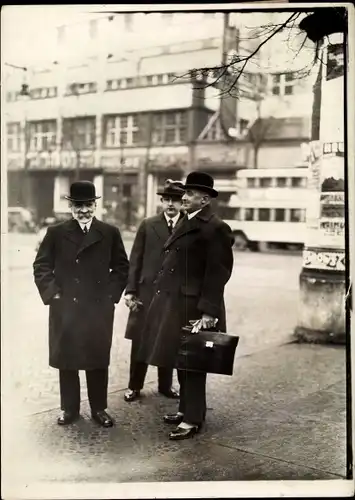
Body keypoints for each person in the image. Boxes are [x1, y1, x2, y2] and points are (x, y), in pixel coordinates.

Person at [135, 171, 234, 440]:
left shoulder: (214, 227)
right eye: (185, 193)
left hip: (193, 307)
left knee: (193, 363)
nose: (184, 197)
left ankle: (193, 418)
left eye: (189, 194)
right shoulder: (188, 220)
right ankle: (185, 409)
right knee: (181, 358)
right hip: (175, 302)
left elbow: (218, 273)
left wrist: (209, 313)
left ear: (204, 199)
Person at [33, 181, 129, 427]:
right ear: (71, 207)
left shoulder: (109, 232)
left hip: (97, 307)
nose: (84, 210)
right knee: (68, 360)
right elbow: (41, 266)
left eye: (88, 205)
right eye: (78, 206)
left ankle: (99, 409)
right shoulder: (56, 232)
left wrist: (110, 296)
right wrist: (53, 294)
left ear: (95, 205)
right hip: (66, 307)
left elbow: (121, 267)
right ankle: (70, 409)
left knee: (97, 360)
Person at [123, 179, 185, 402]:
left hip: (172, 295)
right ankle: (134, 386)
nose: (170, 204)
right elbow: (135, 259)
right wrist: (131, 290)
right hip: (146, 292)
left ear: (182, 202)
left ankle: (165, 386)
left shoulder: (187, 225)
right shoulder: (148, 225)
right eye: (167, 200)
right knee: (140, 340)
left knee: (167, 339)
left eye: (175, 200)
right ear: (161, 201)